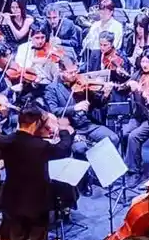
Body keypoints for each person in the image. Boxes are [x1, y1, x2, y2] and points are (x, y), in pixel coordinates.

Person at [0, 105, 70, 240]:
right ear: (36, 123)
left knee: (17, 239)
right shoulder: (40, 146)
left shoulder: (5, 141)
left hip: (13, 199)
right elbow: (63, 149)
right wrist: (63, 130)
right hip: (36, 201)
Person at [44, 56, 120, 195]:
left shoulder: (82, 83)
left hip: (88, 124)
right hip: (70, 128)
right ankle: (84, 183)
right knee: (80, 148)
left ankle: (100, 173)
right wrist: (75, 108)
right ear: (61, 71)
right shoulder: (52, 88)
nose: (74, 75)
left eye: (75, 71)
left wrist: (106, 94)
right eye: (70, 72)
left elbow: (98, 104)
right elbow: (54, 111)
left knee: (113, 138)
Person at [120, 49, 149, 175]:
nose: (144, 64)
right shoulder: (137, 74)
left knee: (133, 136)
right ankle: (130, 161)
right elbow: (122, 90)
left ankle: (134, 170)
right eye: (143, 61)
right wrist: (128, 84)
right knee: (124, 133)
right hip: (138, 116)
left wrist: (148, 99)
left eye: (148, 61)